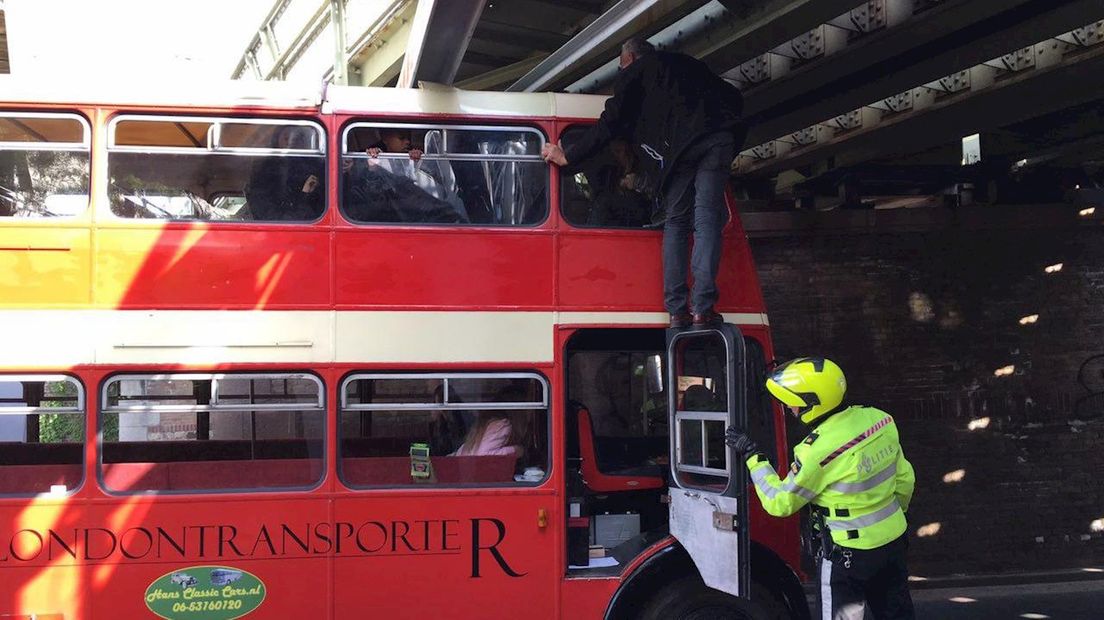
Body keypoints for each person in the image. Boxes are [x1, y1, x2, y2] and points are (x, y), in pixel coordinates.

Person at [541, 38, 745, 328]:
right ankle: (702, 308)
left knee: (676, 221)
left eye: (621, 66)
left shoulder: (635, 73)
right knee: (707, 218)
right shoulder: (688, 63)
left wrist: (569, 157)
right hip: (716, 138)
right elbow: (734, 96)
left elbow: (609, 123)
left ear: (631, 59)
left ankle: (676, 310)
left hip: (678, 152)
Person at [725, 358, 916, 620]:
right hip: (893, 544)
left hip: (847, 556)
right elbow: (906, 479)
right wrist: (890, 521)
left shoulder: (816, 451)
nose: (790, 407)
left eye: (794, 402)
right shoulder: (880, 420)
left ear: (813, 404)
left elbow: (780, 502)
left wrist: (752, 455)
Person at [245, 126, 323, 221]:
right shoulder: (265, 171)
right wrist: (304, 195)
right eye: (286, 138)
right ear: (277, 139)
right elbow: (267, 214)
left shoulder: (316, 168)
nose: (290, 142)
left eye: (297, 138)